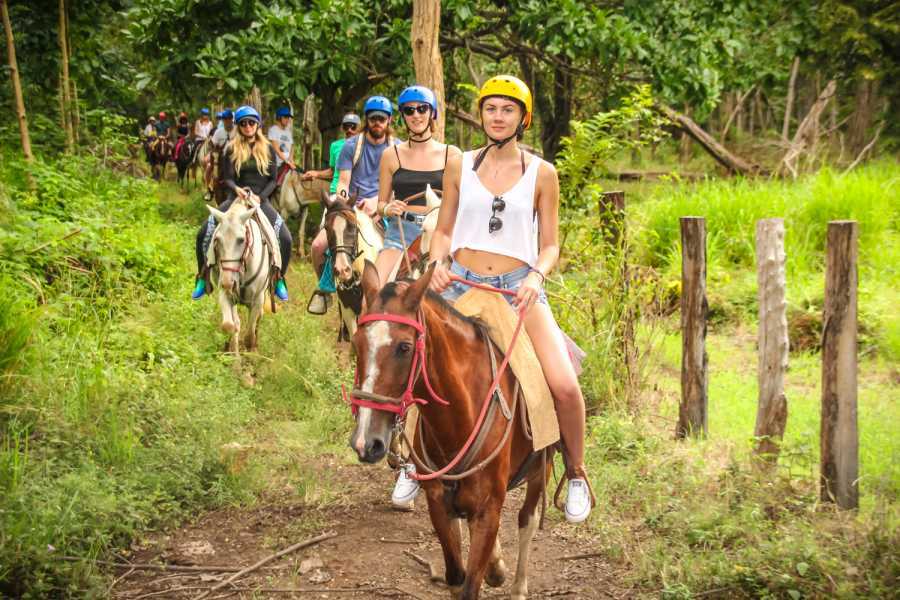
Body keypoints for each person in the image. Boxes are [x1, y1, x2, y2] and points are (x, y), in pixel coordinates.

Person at [427, 75, 593, 524]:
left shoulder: (543, 173)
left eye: (507, 110)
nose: (497, 117)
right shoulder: (459, 164)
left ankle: (575, 473)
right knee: (416, 359)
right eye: (490, 109)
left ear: (523, 118)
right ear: (480, 115)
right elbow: (443, 230)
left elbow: (550, 245)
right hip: (461, 283)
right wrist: (437, 261)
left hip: (517, 288)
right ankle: (411, 462)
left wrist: (537, 276)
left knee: (563, 384)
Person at [191, 105, 292, 302]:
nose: (248, 126)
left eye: (251, 122)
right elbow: (227, 178)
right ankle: (202, 277)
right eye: (243, 123)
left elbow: (273, 180)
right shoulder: (230, 148)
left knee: (285, 238)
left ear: (257, 125)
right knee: (204, 232)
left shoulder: (268, 149)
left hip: (259, 201)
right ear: (238, 126)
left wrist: (260, 197)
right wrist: (236, 189)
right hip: (235, 199)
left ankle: (279, 278)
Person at [308, 97, 399, 308]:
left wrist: (378, 202)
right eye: (373, 118)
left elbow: (399, 184)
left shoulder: (398, 148)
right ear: (366, 119)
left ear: (389, 120)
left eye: (382, 119)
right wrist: (344, 202)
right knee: (318, 246)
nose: (377, 123)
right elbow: (343, 181)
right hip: (352, 206)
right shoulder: (351, 146)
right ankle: (325, 289)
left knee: (407, 251)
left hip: (384, 206)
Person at [301, 112, 360, 197]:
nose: (349, 130)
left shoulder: (365, 145)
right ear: (342, 128)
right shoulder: (335, 145)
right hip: (337, 190)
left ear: (359, 128)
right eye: (346, 126)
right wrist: (316, 174)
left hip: (358, 192)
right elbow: (333, 171)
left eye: (353, 127)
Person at [267, 106, 296, 186]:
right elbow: (276, 148)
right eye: (285, 117)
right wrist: (287, 161)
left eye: (288, 118)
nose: (288, 120)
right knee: (274, 185)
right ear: (279, 118)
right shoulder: (273, 130)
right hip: (276, 164)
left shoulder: (288, 132)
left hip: (287, 163)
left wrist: (291, 159)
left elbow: (292, 146)